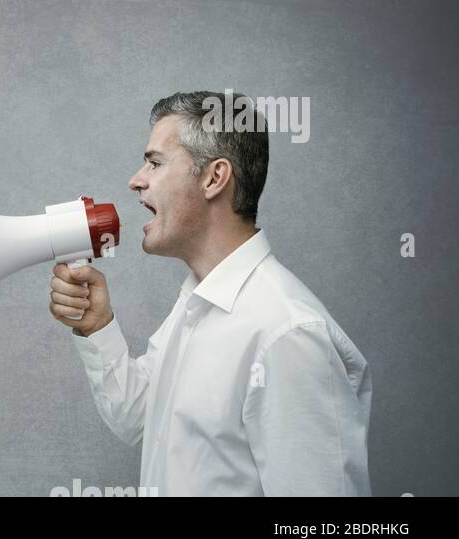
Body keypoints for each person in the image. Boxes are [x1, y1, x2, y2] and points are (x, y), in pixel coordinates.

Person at [49, 91, 371, 496]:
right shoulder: (199, 302)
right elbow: (138, 416)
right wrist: (97, 327)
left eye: (155, 162)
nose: (136, 180)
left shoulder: (287, 335)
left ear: (214, 178)